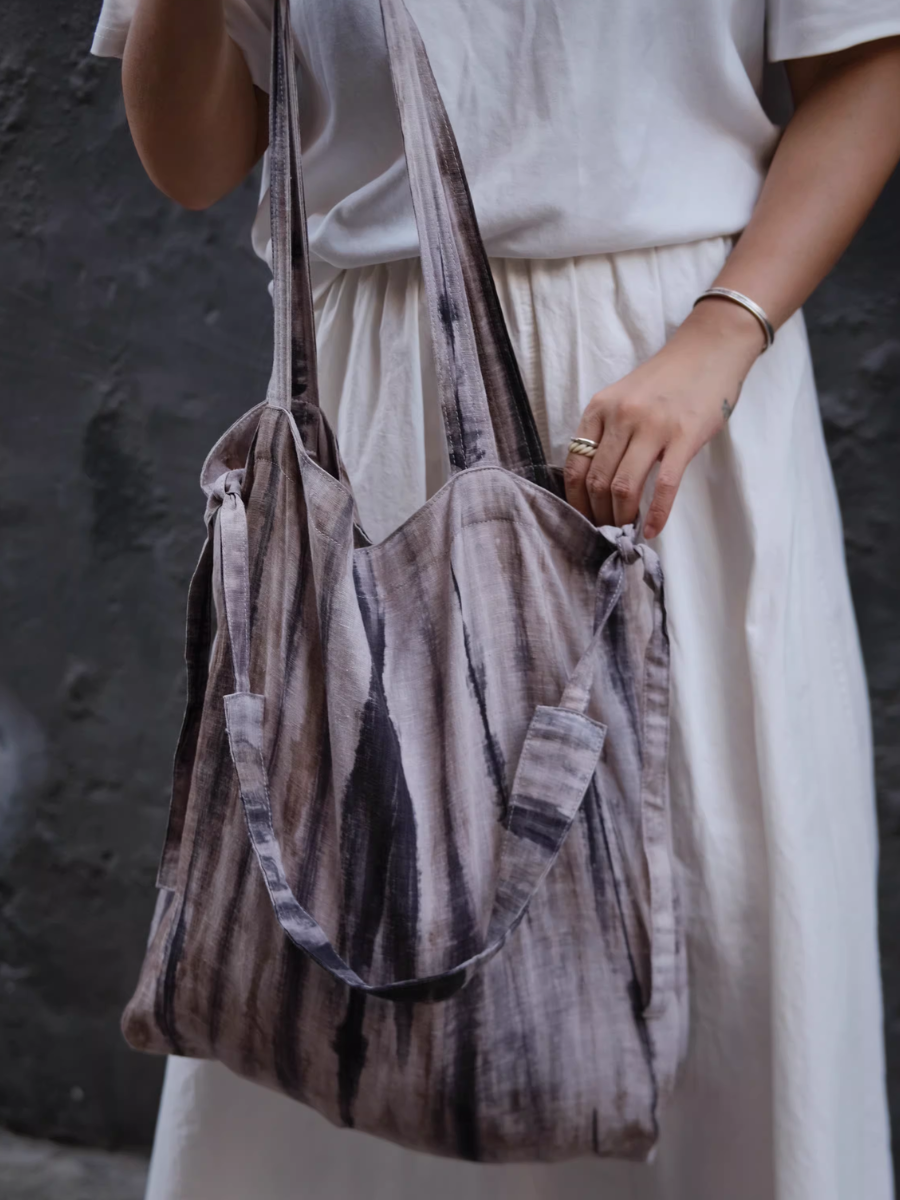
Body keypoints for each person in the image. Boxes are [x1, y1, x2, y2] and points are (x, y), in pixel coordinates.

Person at [91, 1, 900, 1197]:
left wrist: (720, 338)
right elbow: (194, 160)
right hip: (373, 415)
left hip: (662, 389)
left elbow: (871, 64)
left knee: (715, 913)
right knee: (348, 914)